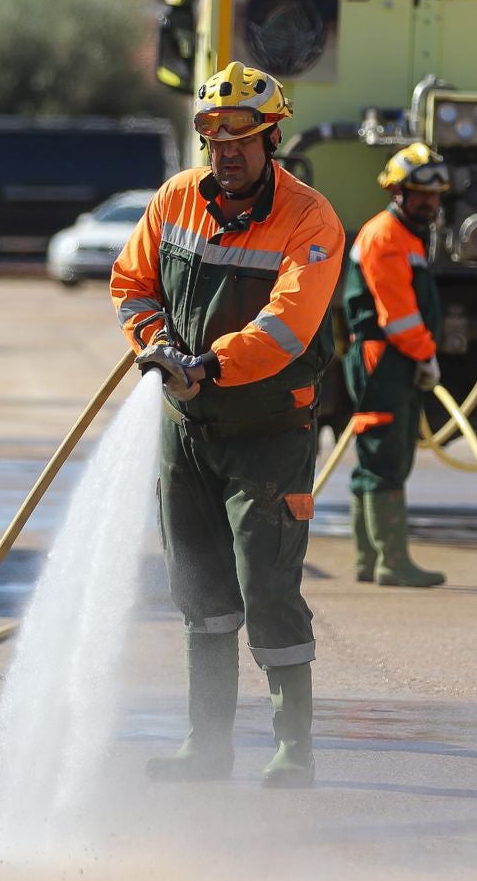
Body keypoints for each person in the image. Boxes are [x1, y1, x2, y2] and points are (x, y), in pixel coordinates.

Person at [110, 61, 345, 789]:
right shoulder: (176, 200)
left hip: (268, 435)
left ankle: (293, 747)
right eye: (215, 134)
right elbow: (132, 283)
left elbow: (287, 326)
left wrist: (206, 364)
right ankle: (205, 745)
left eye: (243, 135)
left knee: (267, 584)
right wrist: (153, 343)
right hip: (186, 431)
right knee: (202, 592)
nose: (228, 149)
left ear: (272, 136)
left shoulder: (310, 220)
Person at [341, 141, 449, 588]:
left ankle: (370, 559)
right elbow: (398, 314)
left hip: (391, 359)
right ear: (397, 191)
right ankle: (391, 560)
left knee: (380, 458)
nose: (429, 202)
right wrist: (426, 354)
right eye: (420, 193)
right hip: (384, 359)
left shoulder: (406, 237)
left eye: (435, 195)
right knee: (384, 458)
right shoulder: (387, 237)